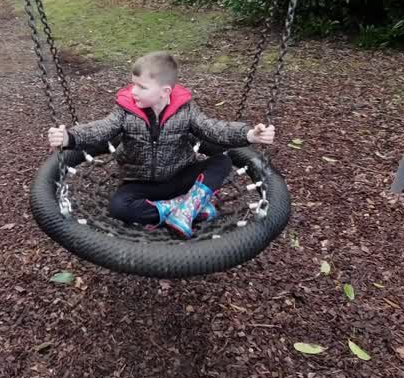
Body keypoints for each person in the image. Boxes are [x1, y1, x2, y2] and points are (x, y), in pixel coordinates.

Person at [47, 51, 275, 238]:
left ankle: (189, 204)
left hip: (180, 176)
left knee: (222, 160)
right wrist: (69, 137)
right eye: (132, 84)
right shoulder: (125, 112)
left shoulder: (186, 111)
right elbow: (101, 129)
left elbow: (214, 129)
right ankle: (181, 209)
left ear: (165, 92)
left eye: (142, 87)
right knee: (118, 207)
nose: (133, 91)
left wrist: (249, 135)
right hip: (140, 183)